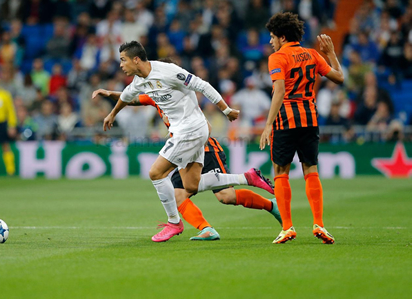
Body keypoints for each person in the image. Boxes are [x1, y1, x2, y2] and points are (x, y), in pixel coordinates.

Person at [103, 41, 271, 242]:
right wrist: (112, 114)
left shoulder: (168, 71)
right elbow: (127, 97)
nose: (121, 65)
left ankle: (174, 222)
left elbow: (203, 85)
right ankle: (247, 177)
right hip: (189, 131)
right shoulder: (139, 81)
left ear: (136, 59)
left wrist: (226, 110)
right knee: (191, 185)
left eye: (123, 60)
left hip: (189, 130)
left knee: (156, 173)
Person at [260, 13, 344, 244]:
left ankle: (287, 227)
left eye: (272, 37)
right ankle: (319, 223)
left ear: (282, 37)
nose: (270, 41)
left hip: (285, 121)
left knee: (280, 172)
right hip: (310, 119)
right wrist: (332, 54)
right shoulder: (313, 54)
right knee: (311, 170)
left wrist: (268, 125)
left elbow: (279, 91)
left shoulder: (277, 57)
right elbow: (339, 77)